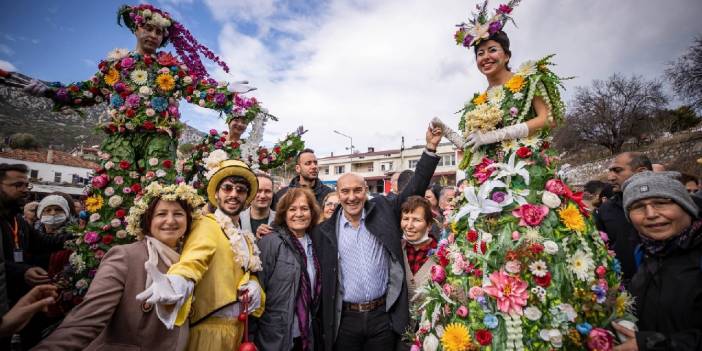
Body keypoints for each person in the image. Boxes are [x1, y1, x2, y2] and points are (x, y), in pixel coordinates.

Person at [412, 3, 632, 348]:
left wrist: (497, 135)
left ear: (506, 53)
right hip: (485, 182)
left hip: (524, 174)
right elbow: (473, 147)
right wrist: (448, 132)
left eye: (492, 50)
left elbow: (547, 120)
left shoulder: (528, 80)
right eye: (480, 53)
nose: (485, 57)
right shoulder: (477, 100)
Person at [20, 3, 267, 304]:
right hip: (120, 143)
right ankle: (93, 275)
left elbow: (199, 91)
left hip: (159, 143)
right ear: (136, 28)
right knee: (108, 203)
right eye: (147, 28)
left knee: (162, 199)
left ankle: (169, 271)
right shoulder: (115, 68)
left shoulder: (172, 70)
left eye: (159, 31)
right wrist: (47, 90)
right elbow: (83, 91)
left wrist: (227, 91)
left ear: (164, 37)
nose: (152, 34)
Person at [313, 124, 441, 351]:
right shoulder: (324, 232)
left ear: (366, 191)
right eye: (345, 191)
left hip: (382, 316)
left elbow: (414, 190)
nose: (352, 197)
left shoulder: (382, 209)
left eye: (357, 190)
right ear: (338, 194)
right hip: (345, 320)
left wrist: (430, 149)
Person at [34, 182, 203, 350]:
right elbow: (88, 318)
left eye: (178, 214)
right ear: (147, 220)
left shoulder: (191, 260)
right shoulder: (125, 256)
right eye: (161, 214)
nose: (170, 220)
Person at [139, 159, 265, 351]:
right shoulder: (206, 224)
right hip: (209, 333)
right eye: (228, 188)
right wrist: (178, 281)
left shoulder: (245, 237)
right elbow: (194, 260)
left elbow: (243, 271)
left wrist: (255, 284)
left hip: (238, 332)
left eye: (240, 190)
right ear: (216, 194)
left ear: (247, 197)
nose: (234, 194)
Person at [612, 171, 702, 351]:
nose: (651, 214)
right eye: (638, 206)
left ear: (686, 206)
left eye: (661, 203)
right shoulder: (644, 251)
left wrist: (656, 344)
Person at [254, 188, 321, 350]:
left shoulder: (317, 242)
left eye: (304, 209)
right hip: (275, 336)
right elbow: (257, 290)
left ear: (312, 213)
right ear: (283, 214)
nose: (299, 214)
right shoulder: (270, 242)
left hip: (307, 333)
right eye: (292, 209)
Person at [596, 152, 653, 285]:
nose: (610, 178)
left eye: (617, 170)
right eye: (609, 171)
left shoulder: (671, 204)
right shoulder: (605, 210)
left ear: (641, 172)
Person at [400, 196, 437, 303]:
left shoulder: (441, 255)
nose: (409, 226)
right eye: (406, 219)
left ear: (429, 225)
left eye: (416, 220)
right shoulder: (397, 250)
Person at [241, 172, 276, 238]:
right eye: (258, 191)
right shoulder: (237, 220)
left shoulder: (281, 220)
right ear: (250, 193)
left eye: (267, 191)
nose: (262, 196)